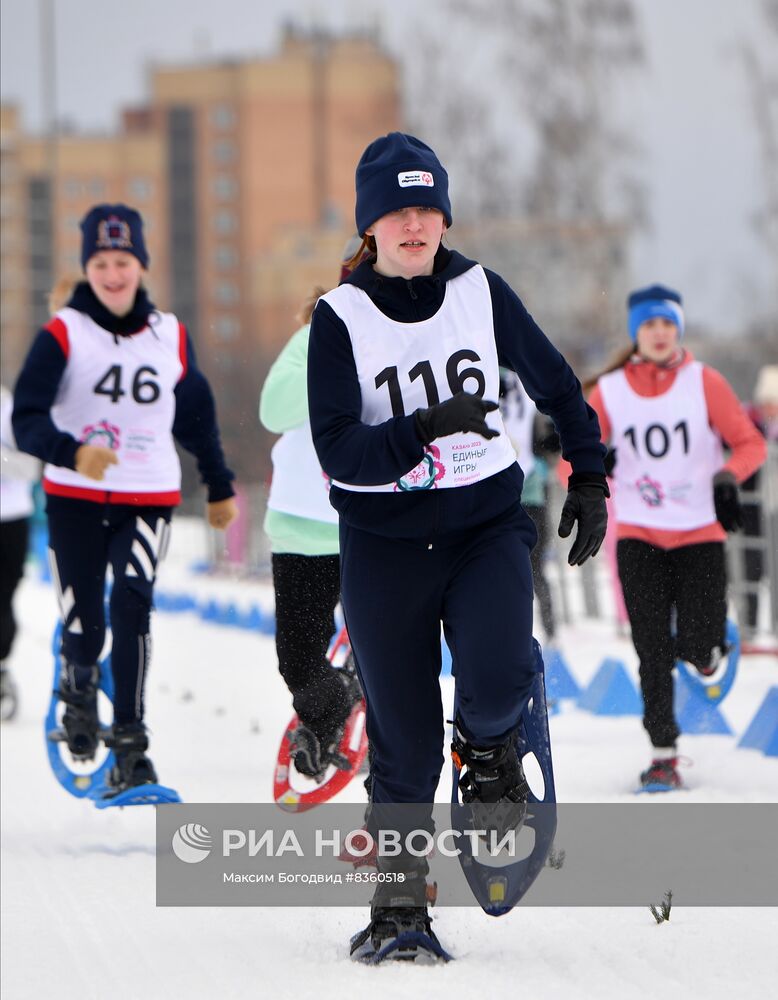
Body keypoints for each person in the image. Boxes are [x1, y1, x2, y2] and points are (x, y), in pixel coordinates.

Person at [307, 132, 608, 955]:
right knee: (403, 742)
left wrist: (589, 473)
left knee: (499, 672)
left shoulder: (482, 292)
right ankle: (399, 911)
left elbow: (555, 381)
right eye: (398, 210)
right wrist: (421, 430)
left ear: (445, 217)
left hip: (483, 528)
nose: (416, 223)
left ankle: (492, 748)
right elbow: (338, 451)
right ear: (372, 225)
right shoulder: (340, 319)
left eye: (428, 208)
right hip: (384, 545)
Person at [12, 203, 238, 792]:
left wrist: (218, 483)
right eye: (102, 262)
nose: (114, 274)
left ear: (141, 266)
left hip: (147, 496)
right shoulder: (64, 332)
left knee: (133, 606)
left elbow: (196, 417)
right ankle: (79, 686)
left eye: (124, 261)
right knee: (84, 622)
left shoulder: (170, 336)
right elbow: (26, 418)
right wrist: (71, 452)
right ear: (87, 267)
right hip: (75, 500)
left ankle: (132, 741)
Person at [585, 284, 767, 790]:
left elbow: (749, 442)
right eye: (649, 325)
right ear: (636, 333)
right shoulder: (611, 391)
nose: (660, 333)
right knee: (651, 650)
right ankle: (662, 752)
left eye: (667, 324)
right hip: (640, 535)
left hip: (699, 533)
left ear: (678, 329)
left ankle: (710, 648)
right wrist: (598, 466)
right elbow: (571, 467)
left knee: (693, 647)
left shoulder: (704, 382)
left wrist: (730, 475)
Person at [259, 239, 364, 779]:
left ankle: (387, 748)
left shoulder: (412, 342)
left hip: (374, 525)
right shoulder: (310, 339)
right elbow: (273, 410)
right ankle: (327, 709)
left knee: (387, 654)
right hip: (303, 524)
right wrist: (330, 355)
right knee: (298, 662)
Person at [499, 369, 560, 643]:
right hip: (499, 495)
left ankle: (548, 632)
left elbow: (548, 437)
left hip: (528, 492)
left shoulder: (524, 378)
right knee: (510, 571)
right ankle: (515, 634)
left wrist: (545, 457)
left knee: (532, 569)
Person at [1, 384, 41, 720]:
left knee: (3, 597)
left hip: (9, 519)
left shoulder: (11, 410)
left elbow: (30, 468)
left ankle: (0, 666)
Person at [739, 364, 777, 637]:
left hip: (774, 508)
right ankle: (749, 624)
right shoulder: (747, 423)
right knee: (751, 568)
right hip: (753, 510)